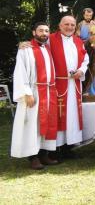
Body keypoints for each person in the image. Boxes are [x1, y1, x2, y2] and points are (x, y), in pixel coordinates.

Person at [11, 22, 60, 169]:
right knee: (33, 125)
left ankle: (44, 154)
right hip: (34, 92)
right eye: (40, 31)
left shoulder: (48, 48)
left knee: (45, 124)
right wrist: (27, 93)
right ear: (34, 32)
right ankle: (32, 157)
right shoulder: (26, 49)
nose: (44, 33)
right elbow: (20, 72)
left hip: (48, 92)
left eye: (46, 31)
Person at [48, 16, 89, 157]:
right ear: (59, 25)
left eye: (72, 24)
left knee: (72, 116)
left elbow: (85, 59)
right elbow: (37, 47)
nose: (69, 27)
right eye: (66, 24)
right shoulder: (50, 38)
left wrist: (81, 71)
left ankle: (69, 147)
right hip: (58, 84)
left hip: (75, 84)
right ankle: (56, 148)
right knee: (59, 115)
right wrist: (25, 44)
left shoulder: (78, 41)